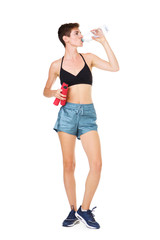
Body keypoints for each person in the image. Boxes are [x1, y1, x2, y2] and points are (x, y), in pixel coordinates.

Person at [43, 23, 119, 229]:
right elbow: (45, 90)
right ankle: (73, 209)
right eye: (77, 33)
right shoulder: (55, 65)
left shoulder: (88, 58)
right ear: (66, 38)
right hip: (67, 115)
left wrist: (103, 41)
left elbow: (114, 67)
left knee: (97, 164)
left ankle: (85, 210)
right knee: (69, 165)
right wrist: (54, 93)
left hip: (87, 115)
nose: (81, 36)